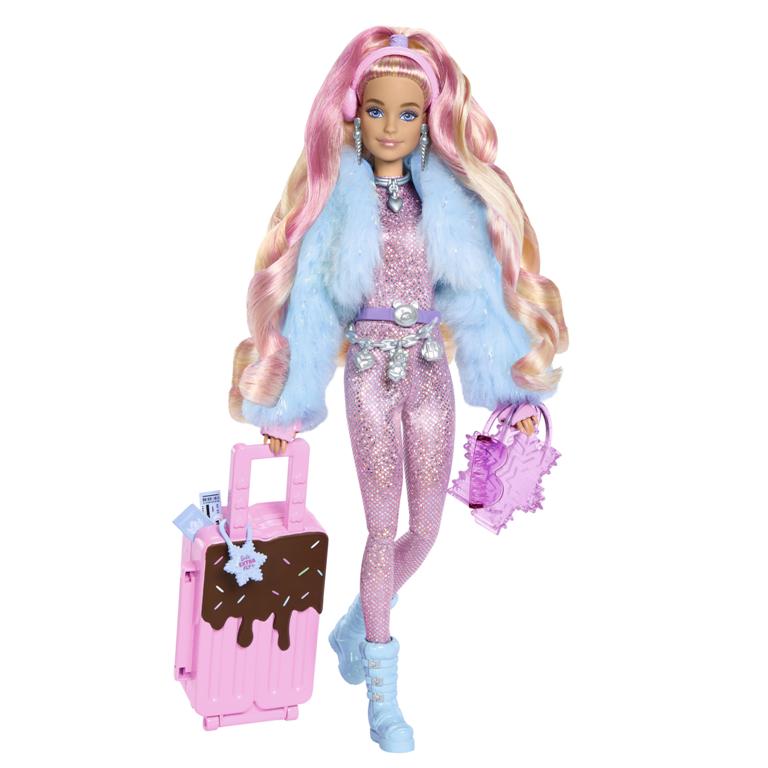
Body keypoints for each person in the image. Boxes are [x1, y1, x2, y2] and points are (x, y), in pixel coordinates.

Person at [229, 26, 568, 753]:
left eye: (407, 112)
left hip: (430, 371)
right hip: (370, 377)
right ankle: (383, 696)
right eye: (376, 109)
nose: (390, 126)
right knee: (382, 528)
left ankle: (358, 622)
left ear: (428, 118)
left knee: (428, 528)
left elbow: (479, 298)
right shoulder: (336, 201)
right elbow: (311, 306)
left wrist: (513, 389)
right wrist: (285, 405)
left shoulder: (447, 199)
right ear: (354, 113)